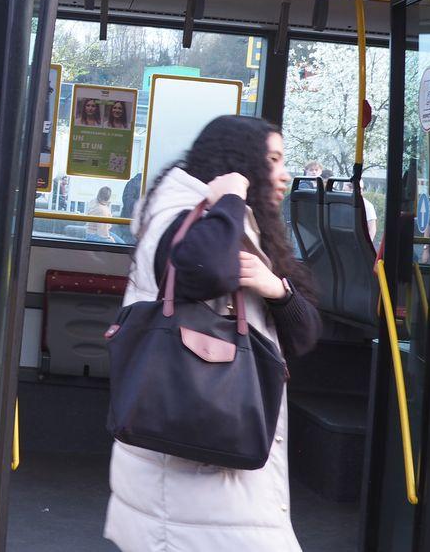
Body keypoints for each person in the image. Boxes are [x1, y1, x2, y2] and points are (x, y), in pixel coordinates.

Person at [104, 115, 320, 552]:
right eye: (274, 160)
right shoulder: (183, 217)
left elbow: (303, 335)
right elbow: (208, 271)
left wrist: (276, 290)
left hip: (212, 485)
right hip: (191, 492)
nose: (284, 174)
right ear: (240, 167)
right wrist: (231, 200)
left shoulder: (234, 225)